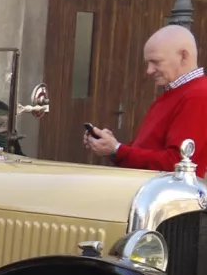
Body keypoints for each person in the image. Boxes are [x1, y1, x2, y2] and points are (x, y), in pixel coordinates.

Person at [84, 24, 207, 177]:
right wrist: (112, 147)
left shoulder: (198, 95)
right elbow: (149, 149)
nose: (149, 70)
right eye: (148, 63)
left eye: (156, 61)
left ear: (183, 56)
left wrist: (117, 149)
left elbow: (178, 163)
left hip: (164, 191)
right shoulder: (179, 93)